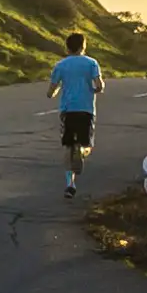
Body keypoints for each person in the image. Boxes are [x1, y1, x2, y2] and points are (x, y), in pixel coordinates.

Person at [44, 30, 104, 195]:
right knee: (87, 145)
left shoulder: (60, 65)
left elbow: (51, 91)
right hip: (86, 109)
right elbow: (100, 86)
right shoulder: (92, 63)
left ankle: (70, 184)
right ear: (83, 46)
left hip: (68, 110)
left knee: (68, 148)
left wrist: (55, 92)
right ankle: (82, 151)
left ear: (67, 47)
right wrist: (92, 90)